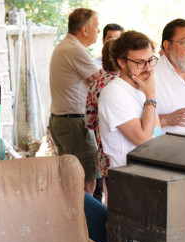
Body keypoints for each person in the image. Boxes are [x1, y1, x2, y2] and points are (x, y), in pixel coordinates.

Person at [49, 8, 102, 195]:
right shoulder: (74, 50)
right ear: (85, 29)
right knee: (87, 183)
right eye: (96, 26)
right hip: (73, 123)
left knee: (72, 181)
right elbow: (100, 82)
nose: (99, 30)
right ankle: (84, 224)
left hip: (64, 120)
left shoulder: (67, 46)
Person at [98, 30, 162, 168]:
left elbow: (155, 132)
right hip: (128, 179)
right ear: (121, 62)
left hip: (150, 173)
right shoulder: (114, 92)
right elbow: (144, 139)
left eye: (151, 60)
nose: (148, 68)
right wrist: (150, 97)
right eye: (140, 62)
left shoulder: (142, 87)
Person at [86, 39, 119, 202]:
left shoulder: (95, 85)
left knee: (110, 197)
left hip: (105, 150)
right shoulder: (128, 85)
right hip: (128, 152)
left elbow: (90, 121)